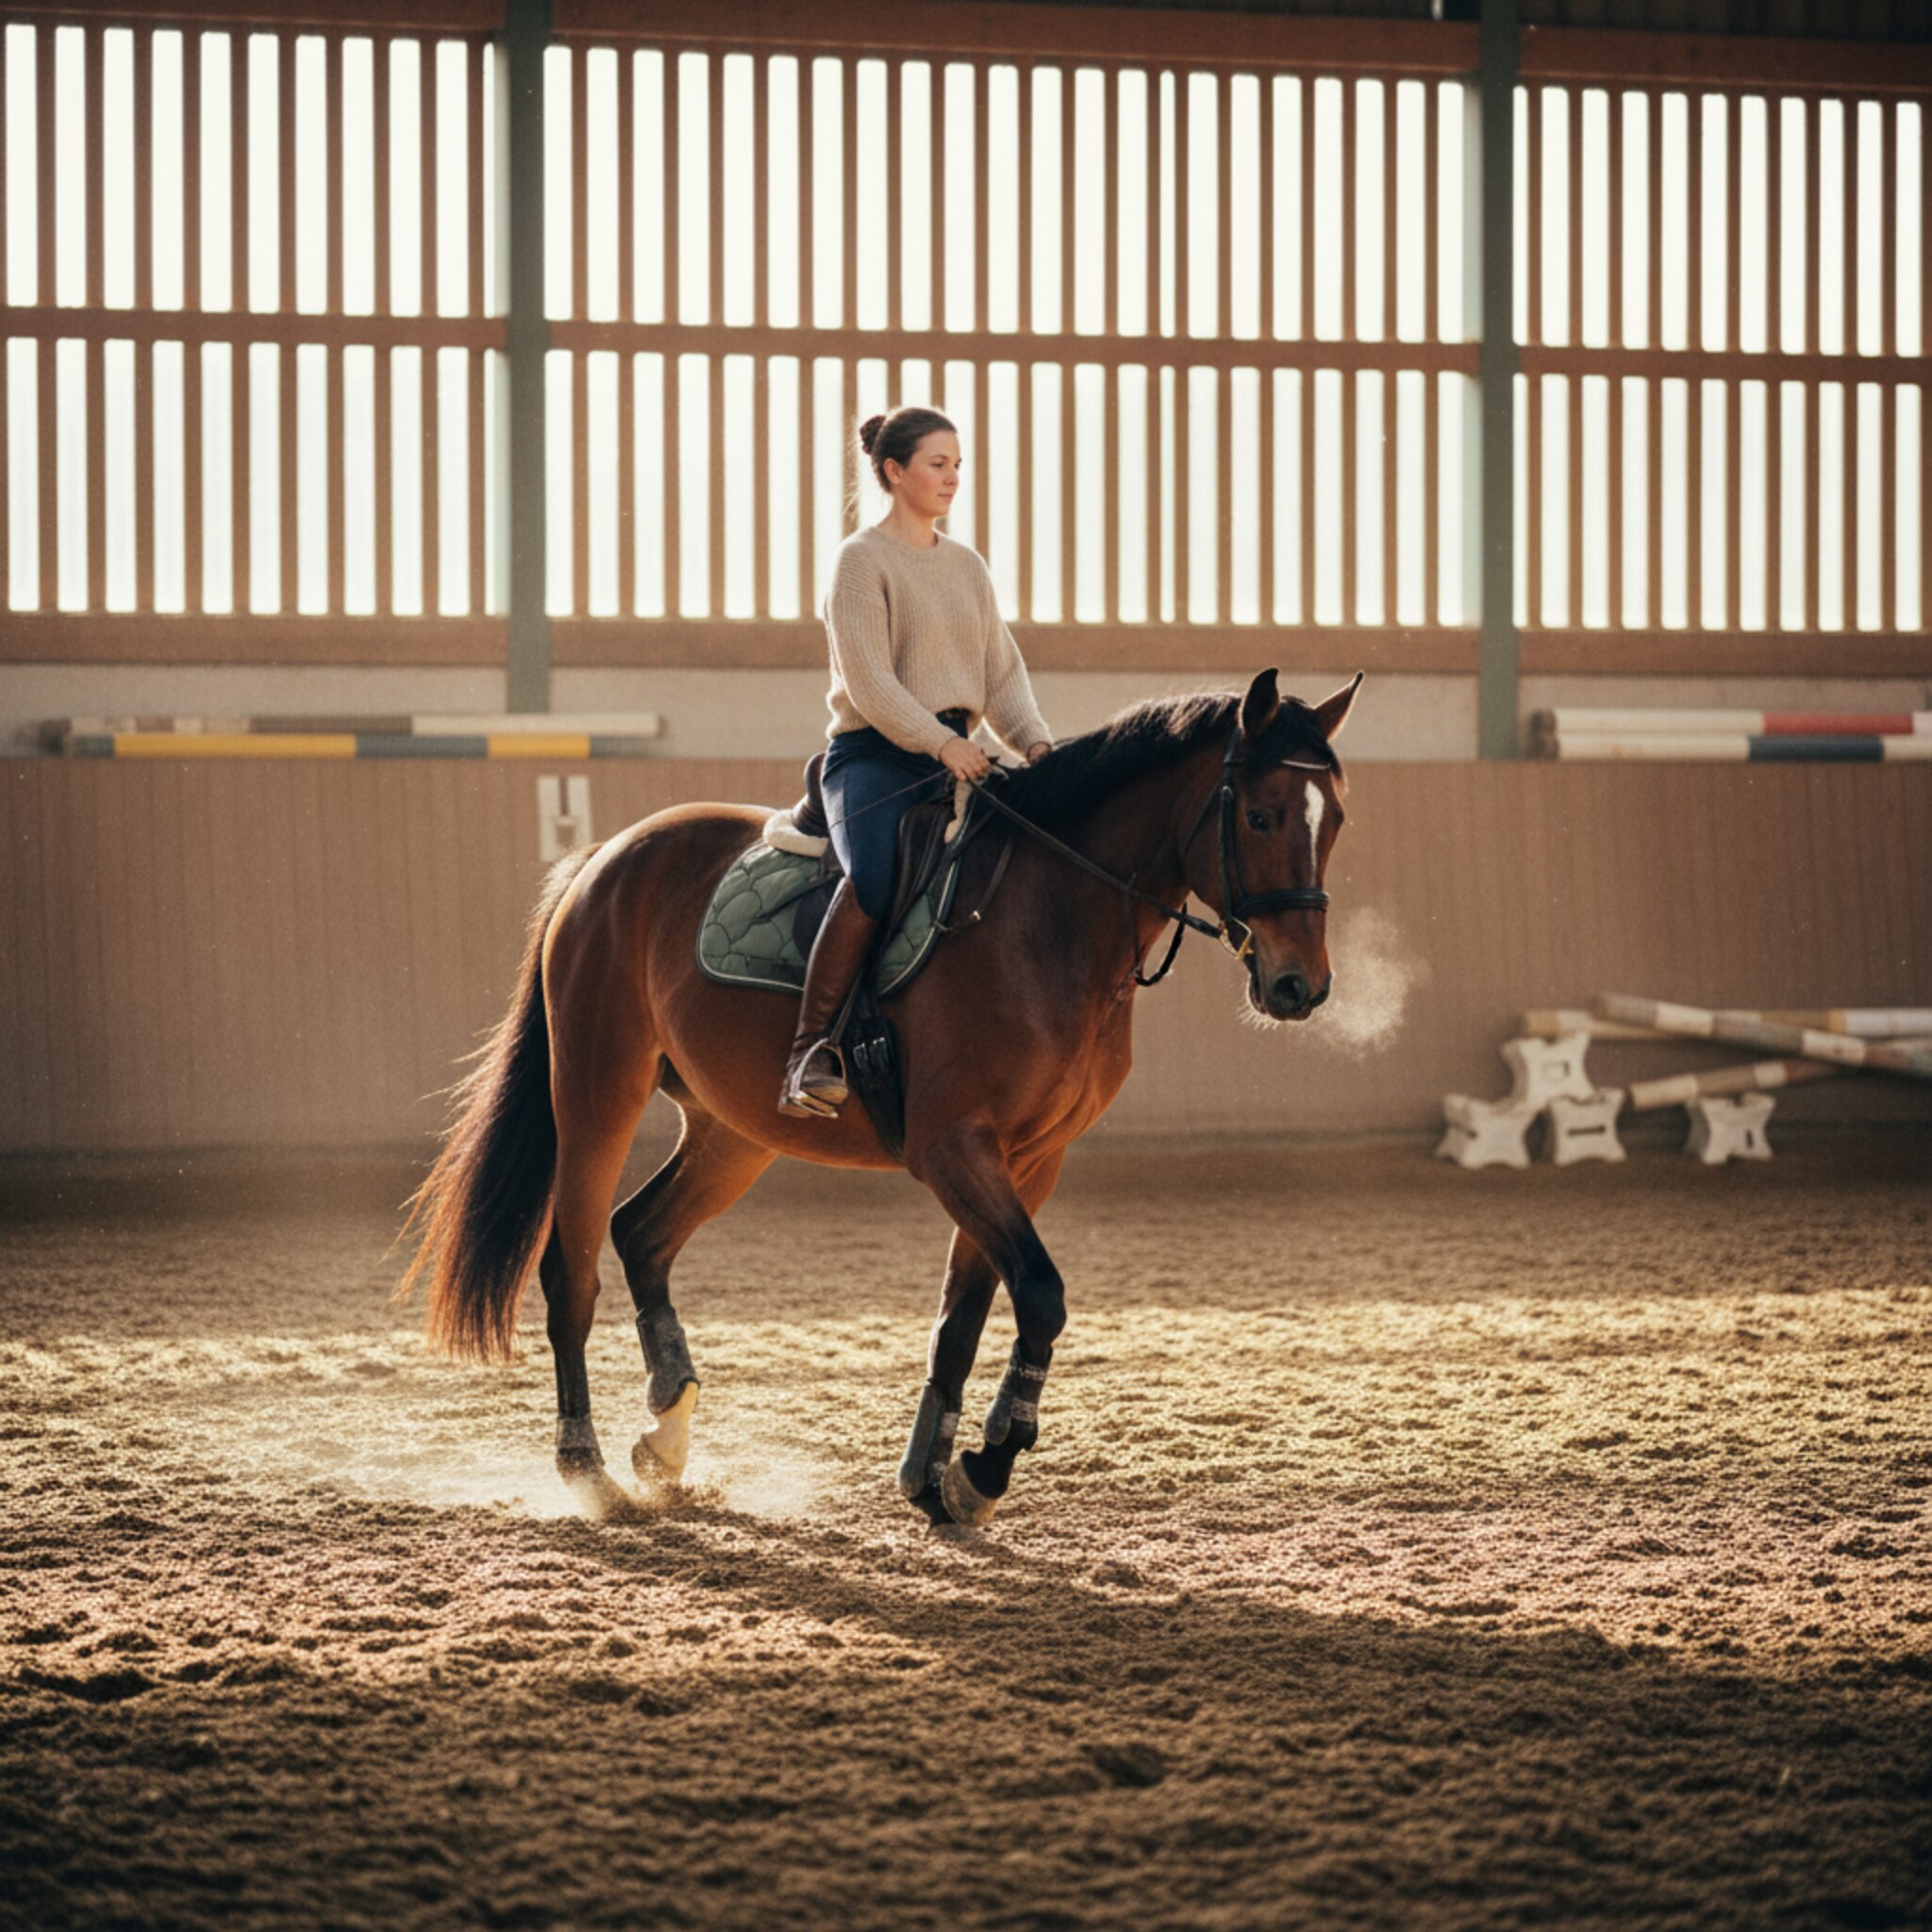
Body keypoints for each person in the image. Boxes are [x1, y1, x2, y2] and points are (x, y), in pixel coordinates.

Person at [778, 406, 1054, 1119]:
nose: (953, 478)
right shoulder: (859, 562)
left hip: (959, 756)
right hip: (874, 756)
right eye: (938, 464)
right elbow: (870, 681)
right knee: (873, 878)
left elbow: (1002, 675)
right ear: (894, 471)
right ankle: (810, 1048)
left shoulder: (967, 566)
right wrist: (941, 743)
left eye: (959, 464)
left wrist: (1036, 744)